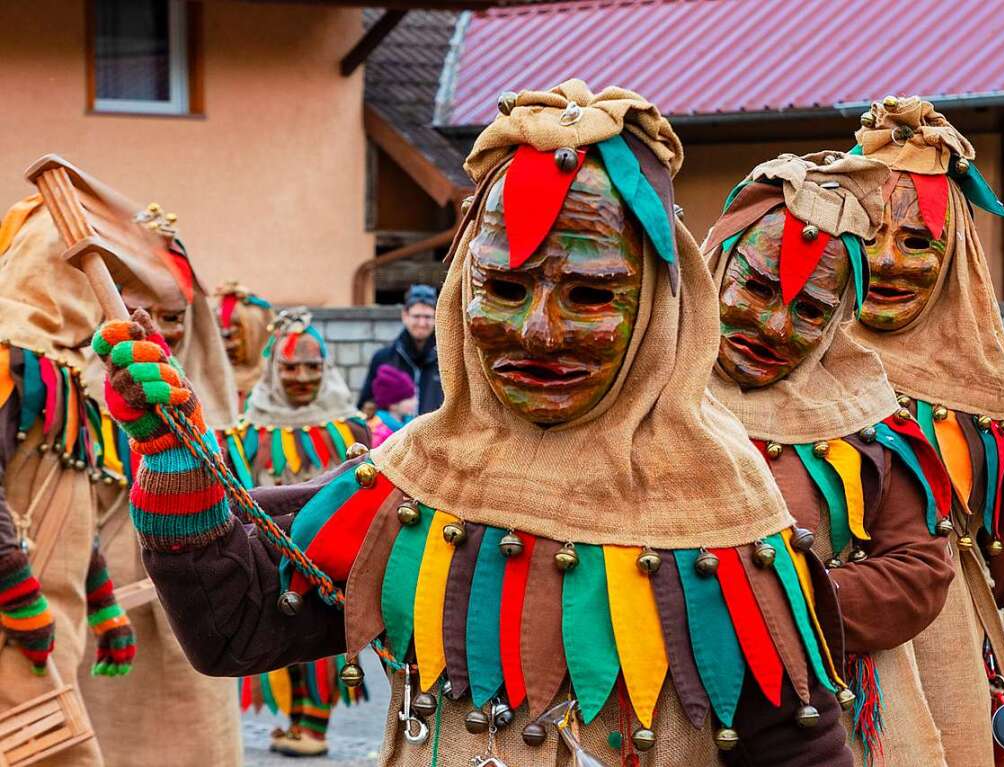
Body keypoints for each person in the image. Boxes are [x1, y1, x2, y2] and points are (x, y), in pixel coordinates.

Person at [94, 80, 855, 765]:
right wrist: (170, 451)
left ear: (654, 309)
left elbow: (800, 752)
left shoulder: (720, 505)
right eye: (504, 286)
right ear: (463, 289)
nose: (537, 331)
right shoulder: (416, 477)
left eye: (590, 296)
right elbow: (240, 628)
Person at [705, 151, 955, 765]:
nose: (774, 325)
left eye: (811, 310)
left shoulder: (868, 424)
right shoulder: (638, 399)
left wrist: (782, 607)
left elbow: (920, 571)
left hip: (825, 723)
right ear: (715, 270)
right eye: (758, 288)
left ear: (839, 319)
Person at [849, 96, 1004, 767]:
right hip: (815, 680)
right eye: (866, 236)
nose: (887, 261)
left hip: (956, 676)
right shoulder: (764, 369)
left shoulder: (987, 399)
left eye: (916, 241)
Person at [77, 203, 244, 767]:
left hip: (194, 612)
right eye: (140, 311)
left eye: (174, 317)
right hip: (103, 614)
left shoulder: (208, 397)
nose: (160, 330)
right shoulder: (68, 396)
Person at [0, 193, 137, 767]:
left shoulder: (67, 374)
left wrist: (102, 603)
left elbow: (70, 492)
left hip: (53, 626)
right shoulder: (10, 363)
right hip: (14, 624)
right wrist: (20, 601)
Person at [225, 309, 370, 756]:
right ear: (274, 370)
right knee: (275, 638)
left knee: (322, 639)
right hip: (267, 555)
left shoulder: (351, 427)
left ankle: (314, 726)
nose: (302, 377)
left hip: (330, 554)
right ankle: (296, 721)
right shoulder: (243, 432)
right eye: (291, 367)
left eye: (313, 367)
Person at [358, 284, 442, 415]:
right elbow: (365, 405)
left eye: (427, 317)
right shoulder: (383, 358)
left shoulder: (446, 360)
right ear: (405, 316)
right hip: (394, 433)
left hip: (434, 434)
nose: (422, 323)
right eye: (416, 316)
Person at [214, 281, 274, 409]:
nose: (227, 346)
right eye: (221, 334)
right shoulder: (205, 389)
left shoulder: (277, 391)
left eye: (235, 335)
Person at [367, 364, 416, 446]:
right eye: (408, 398)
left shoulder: (410, 423)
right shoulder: (377, 432)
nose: (414, 402)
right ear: (393, 405)